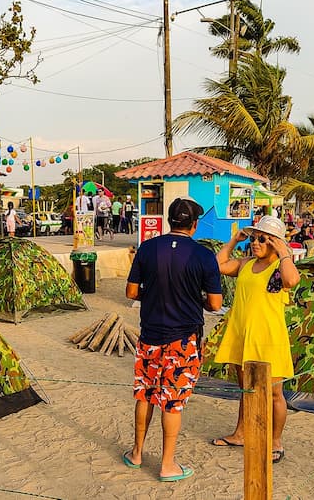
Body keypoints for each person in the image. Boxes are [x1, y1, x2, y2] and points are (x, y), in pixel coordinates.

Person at [124, 198, 222, 482]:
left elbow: (131, 292)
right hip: (184, 340)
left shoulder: (147, 248)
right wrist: (196, 298)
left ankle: (137, 453)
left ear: (169, 220)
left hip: (150, 336)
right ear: (194, 224)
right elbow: (215, 304)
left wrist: (151, 294)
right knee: (172, 401)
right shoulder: (203, 256)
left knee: (145, 394)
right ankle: (167, 464)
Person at [211, 215, 300, 465]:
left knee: (274, 395)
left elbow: (292, 281)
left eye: (262, 239)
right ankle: (241, 433)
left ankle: (275, 442)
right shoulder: (246, 264)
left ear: (274, 243)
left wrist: (284, 252)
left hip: (269, 339)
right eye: (253, 237)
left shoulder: (280, 267)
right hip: (243, 335)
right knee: (246, 390)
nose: (255, 243)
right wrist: (233, 241)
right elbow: (218, 265)